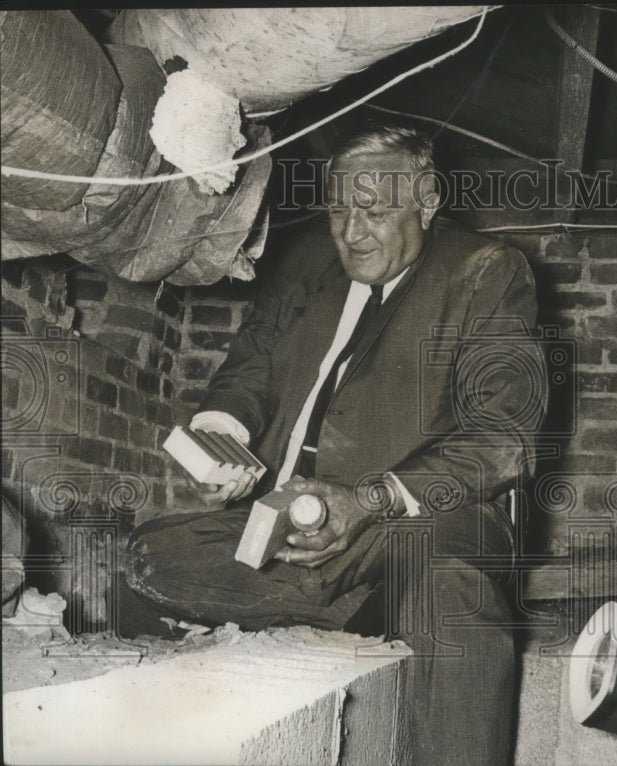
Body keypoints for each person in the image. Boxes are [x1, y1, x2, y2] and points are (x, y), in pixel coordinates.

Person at [125, 120, 545, 766]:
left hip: (417, 525)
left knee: (448, 584)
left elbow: (505, 436)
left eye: (374, 211)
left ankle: (354, 595)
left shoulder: (485, 271)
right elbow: (251, 365)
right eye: (341, 210)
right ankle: (353, 604)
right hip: (296, 533)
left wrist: (367, 500)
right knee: (154, 553)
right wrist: (221, 436)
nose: (352, 232)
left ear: (427, 200)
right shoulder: (305, 266)